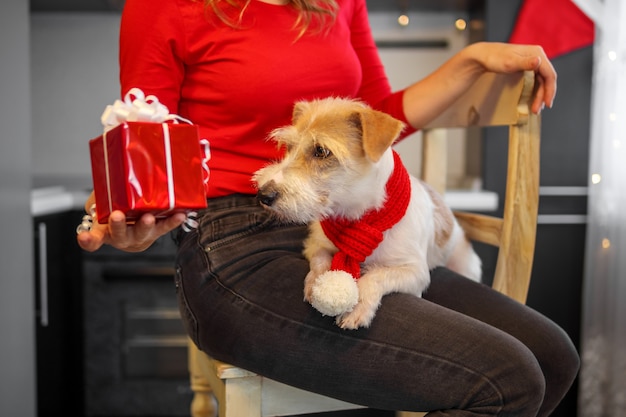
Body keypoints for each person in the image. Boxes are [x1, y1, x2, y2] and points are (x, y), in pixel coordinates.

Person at [78, 0, 579, 415]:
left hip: (351, 235)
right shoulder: (166, 5)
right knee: (507, 379)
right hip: (237, 241)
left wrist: (470, 61)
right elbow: (143, 143)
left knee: (552, 357)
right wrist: (127, 215)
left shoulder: (338, 2)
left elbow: (379, 116)